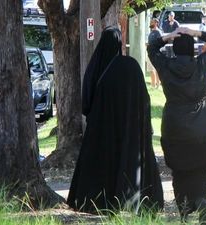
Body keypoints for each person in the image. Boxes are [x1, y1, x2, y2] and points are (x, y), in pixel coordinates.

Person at [67, 27, 164, 213]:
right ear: (120, 43)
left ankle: (98, 203)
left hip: (100, 128)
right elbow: (143, 98)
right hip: (129, 128)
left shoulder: (96, 66)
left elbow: (86, 101)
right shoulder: (130, 66)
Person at [147, 27, 206, 225]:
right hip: (202, 126)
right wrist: (197, 33)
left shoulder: (165, 65)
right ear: (193, 50)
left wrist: (167, 37)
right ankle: (200, 199)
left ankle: (184, 208)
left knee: (179, 169)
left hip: (174, 126)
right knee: (202, 167)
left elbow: (151, 49)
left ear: (175, 49)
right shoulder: (203, 64)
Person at [147, 18, 162, 88]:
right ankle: (153, 85)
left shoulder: (158, 32)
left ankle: (158, 85)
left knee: (157, 69)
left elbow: (160, 42)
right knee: (151, 69)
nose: (150, 23)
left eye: (152, 22)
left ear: (156, 23)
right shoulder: (151, 32)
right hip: (150, 53)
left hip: (156, 53)